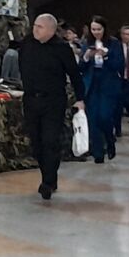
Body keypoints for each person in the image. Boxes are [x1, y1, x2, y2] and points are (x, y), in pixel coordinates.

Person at [19, 14, 85, 200]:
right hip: (31, 100)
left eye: (40, 27)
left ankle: (48, 182)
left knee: (50, 140)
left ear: (51, 30)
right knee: (36, 143)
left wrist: (80, 98)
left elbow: (74, 74)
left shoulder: (61, 48)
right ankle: (48, 175)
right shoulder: (27, 43)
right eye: (35, 26)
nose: (35, 29)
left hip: (53, 101)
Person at [79, 15, 123, 164]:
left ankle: (110, 140)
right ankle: (98, 152)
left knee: (105, 116)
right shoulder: (86, 43)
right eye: (93, 29)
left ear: (104, 29)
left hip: (108, 83)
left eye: (99, 29)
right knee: (93, 119)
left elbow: (119, 64)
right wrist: (86, 57)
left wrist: (106, 56)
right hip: (92, 84)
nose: (96, 32)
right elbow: (81, 67)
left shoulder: (114, 43)